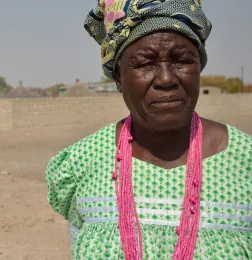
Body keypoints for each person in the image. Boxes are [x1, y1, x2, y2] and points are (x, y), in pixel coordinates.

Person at [45, 0, 252, 259]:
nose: (166, 79)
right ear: (118, 78)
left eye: (182, 61)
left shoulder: (246, 162)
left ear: (199, 68)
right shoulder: (81, 164)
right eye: (145, 63)